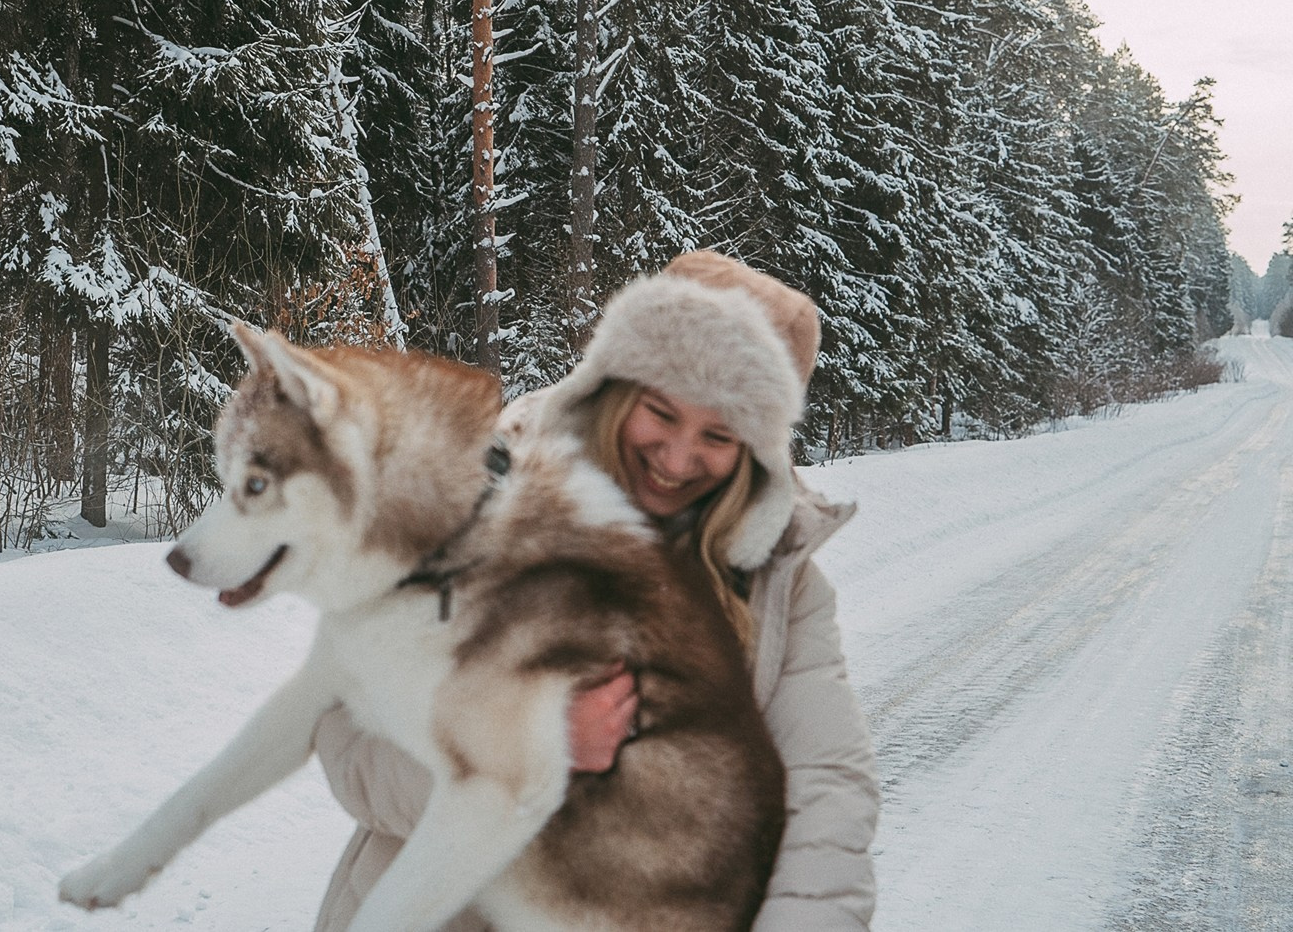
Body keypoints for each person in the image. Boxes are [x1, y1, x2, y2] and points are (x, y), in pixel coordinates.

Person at [311, 251, 880, 932]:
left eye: (717, 434)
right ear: (618, 385)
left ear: (756, 448)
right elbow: (351, 739)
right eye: (661, 413)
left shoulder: (783, 585)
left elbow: (825, 794)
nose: (676, 458)